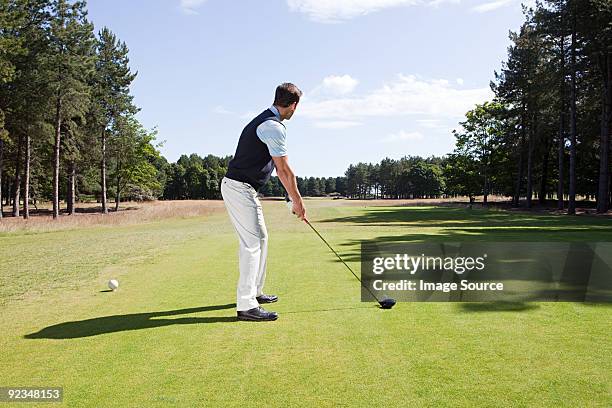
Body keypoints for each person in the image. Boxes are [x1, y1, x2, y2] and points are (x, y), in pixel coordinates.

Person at [221, 83, 307, 322]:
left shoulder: (267, 121)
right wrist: (297, 201)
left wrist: (292, 196)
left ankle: (255, 292)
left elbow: (281, 170)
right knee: (252, 244)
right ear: (293, 105)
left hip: (243, 188)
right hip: (238, 188)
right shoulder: (273, 126)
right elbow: (284, 170)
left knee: (261, 239)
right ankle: (246, 305)